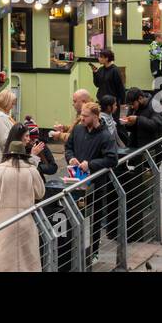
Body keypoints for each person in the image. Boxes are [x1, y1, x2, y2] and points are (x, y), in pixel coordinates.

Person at [64, 101, 120, 261]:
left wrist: (90, 164)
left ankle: (93, 251)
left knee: (94, 218)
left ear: (95, 116)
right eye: (81, 114)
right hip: (75, 181)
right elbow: (68, 147)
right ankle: (74, 251)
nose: (81, 118)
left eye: (85, 116)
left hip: (96, 183)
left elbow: (112, 159)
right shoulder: (78, 129)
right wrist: (71, 158)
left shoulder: (105, 136)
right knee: (75, 215)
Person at [0, 137, 46, 272]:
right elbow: (40, 193)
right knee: (28, 260)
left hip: (5, 221)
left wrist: (0, 201)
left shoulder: (0, 170)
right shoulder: (31, 170)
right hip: (26, 219)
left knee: (6, 260)